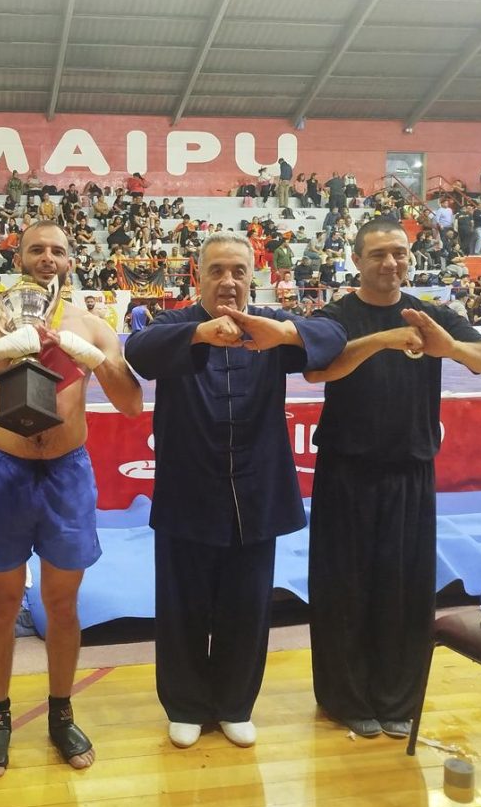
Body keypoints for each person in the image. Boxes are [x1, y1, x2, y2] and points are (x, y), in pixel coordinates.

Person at [0, 221, 143, 779]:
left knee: (64, 604)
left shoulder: (93, 326)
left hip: (67, 474)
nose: (48, 258)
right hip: (6, 472)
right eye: (37, 249)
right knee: (1, 603)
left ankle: (60, 712)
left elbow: (130, 405)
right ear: (19, 257)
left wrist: (94, 358)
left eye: (58, 251)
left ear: (72, 261)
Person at [124, 233, 345, 748]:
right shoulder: (176, 324)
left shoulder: (269, 326)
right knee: (182, 606)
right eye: (217, 270)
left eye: (239, 271)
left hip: (257, 491)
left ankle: (234, 704)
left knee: (247, 607)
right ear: (197, 276)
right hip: (188, 490)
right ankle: (184, 704)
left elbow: (333, 335)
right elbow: (138, 350)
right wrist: (201, 335)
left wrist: (286, 335)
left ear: (253, 276)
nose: (228, 281)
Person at [305, 218, 481, 739]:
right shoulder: (336, 316)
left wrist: (450, 348)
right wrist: (383, 340)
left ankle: (397, 698)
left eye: (399, 252)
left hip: (411, 471)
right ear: (356, 260)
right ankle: (345, 698)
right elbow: (315, 370)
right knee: (343, 589)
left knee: (406, 591)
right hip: (346, 472)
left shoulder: (433, 316)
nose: (390, 263)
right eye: (378, 254)